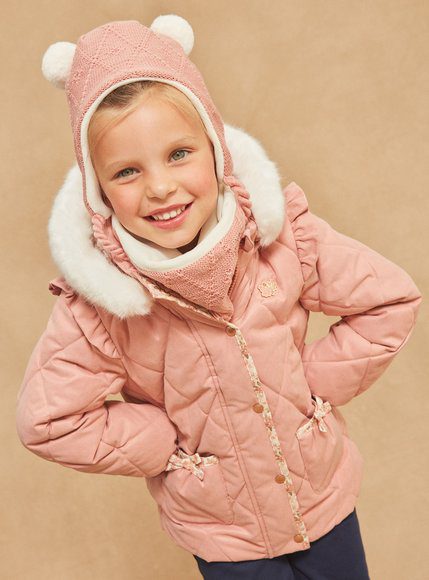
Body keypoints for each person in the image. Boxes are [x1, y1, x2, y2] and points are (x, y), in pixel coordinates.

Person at [15, 15, 422, 580]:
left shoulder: (284, 238)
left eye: (179, 154)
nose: (160, 187)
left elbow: (390, 300)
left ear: (215, 149)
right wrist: (162, 442)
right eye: (127, 171)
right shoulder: (99, 308)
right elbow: (48, 421)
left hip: (322, 502)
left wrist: (309, 384)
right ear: (98, 190)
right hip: (225, 539)